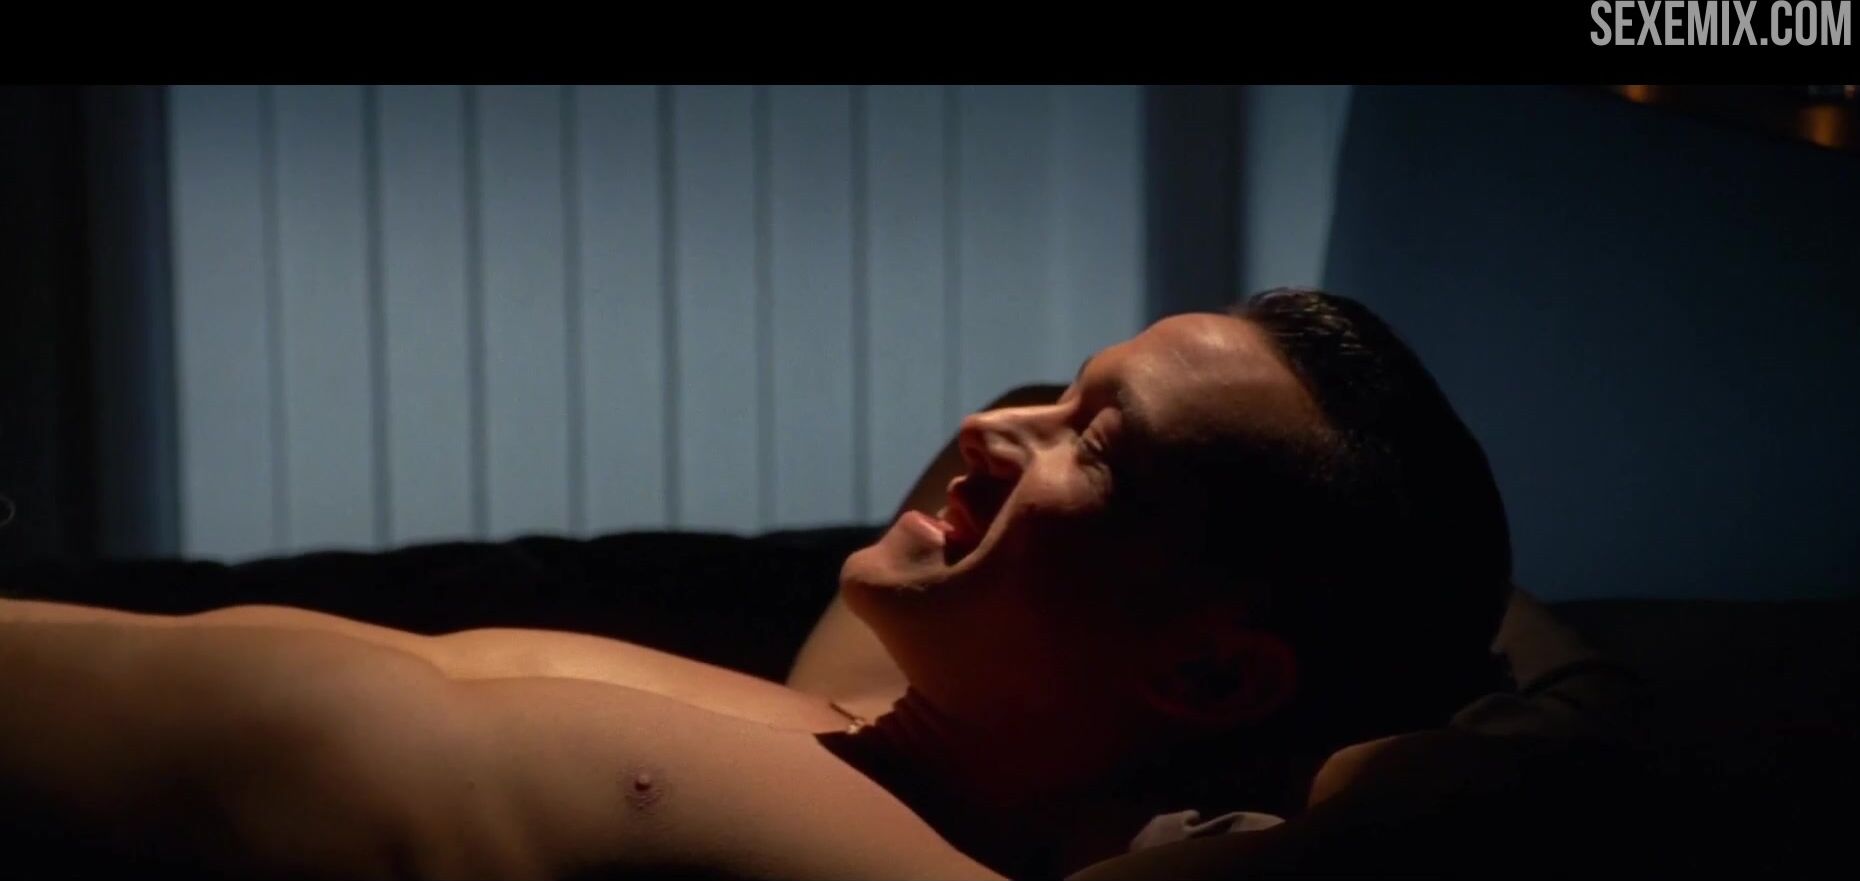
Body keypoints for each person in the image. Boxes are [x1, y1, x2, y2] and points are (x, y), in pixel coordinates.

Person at [0, 289, 1513, 880]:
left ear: (1211, 672)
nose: (992, 428)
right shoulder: (855, 710)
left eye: (1095, 443)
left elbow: (1532, 773)